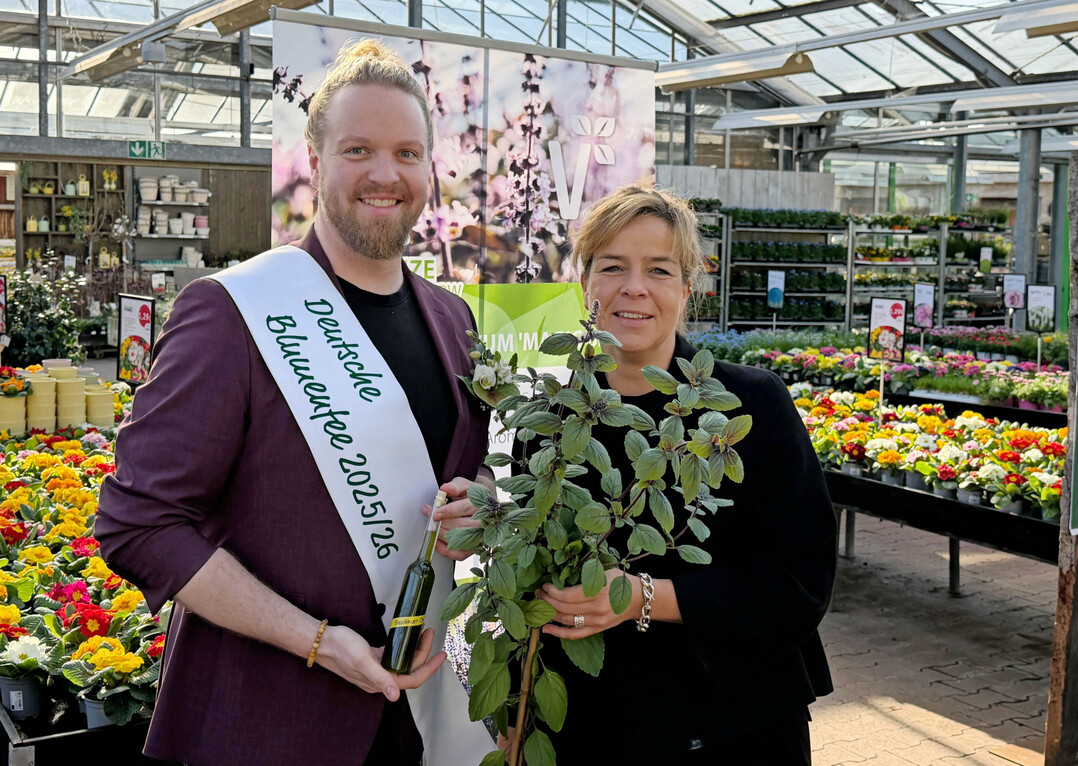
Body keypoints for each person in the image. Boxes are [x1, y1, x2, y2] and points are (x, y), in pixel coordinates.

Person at [95, 40, 494, 766]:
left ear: (430, 170)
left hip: (416, 723)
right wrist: (315, 641)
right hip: (262, 725)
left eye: (407, 152)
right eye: (358, 150)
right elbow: (137, 521)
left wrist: (485, 502)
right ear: (314, 161)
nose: (385, 174)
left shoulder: (454, 322)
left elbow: (473, 478)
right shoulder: (234, 311)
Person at [512, 185, 836, 764]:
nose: (633, 287)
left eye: (658, 269)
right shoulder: (551, 424)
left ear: (687, 289)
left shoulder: (748, 408)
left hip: (734, 728)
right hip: (590, 728)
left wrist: (641, 597)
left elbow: (800, 584)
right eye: (612, 267)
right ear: (583, 286)